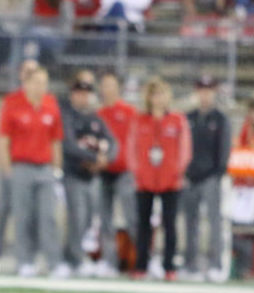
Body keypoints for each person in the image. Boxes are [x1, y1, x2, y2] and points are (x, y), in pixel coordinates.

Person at [0, 62, 64, 278]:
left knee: (47, 217)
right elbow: (3, 140)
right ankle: (24, 260)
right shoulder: (13, 103)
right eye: (36, 82)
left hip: (45, 168)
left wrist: (57, 170)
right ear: (27, 82)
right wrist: (7, 170)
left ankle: (53, 262)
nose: (40, 87)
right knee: (22, 216)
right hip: (21, 167)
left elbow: (56, 141)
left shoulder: (51, 104)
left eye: (44, 83)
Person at [128, 77, 192, 281]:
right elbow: (132, 149)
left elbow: (185, 150)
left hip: (170, 180)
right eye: (155, 94)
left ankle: (169, 266)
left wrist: (177, 171)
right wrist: (138, 172)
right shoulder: (140, 121)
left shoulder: (177, 120)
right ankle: (141, 266)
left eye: (162, 94)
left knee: (170, 224)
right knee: (143, 225)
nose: (158, 99)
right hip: (145, 180)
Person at [62, 78, 117, 278]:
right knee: (78, 218)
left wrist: (105, 159)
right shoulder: (68, 117)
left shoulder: (95, 119)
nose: (83, 97)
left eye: (86, 94)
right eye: (79, 93)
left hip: (92, 176)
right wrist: (93, 157)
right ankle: (74, 259)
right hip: (74, 174)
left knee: (87, 220)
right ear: (72, 95)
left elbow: (113, 143)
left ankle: (74, 257)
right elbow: (69, 145)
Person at [181, 75, 231, 283]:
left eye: (208, 90)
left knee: (214, 222)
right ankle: (190, 265)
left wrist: (218, 173)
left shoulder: (220, 119)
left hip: (211, 177)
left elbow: (224, 149)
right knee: (189, 223)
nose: (205, 94)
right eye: (201, 89)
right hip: (190, 177)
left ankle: (216, 265)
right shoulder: (188, 117)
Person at [96, 72, 138, 278]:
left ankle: (141, 260)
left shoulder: (129, 112)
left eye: (111, 85)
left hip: (124, 171)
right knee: (105, 219)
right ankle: (108, 261)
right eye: (104, 85)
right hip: (103, 172)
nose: (107, 89)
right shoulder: (99, 113)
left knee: (132, 217)